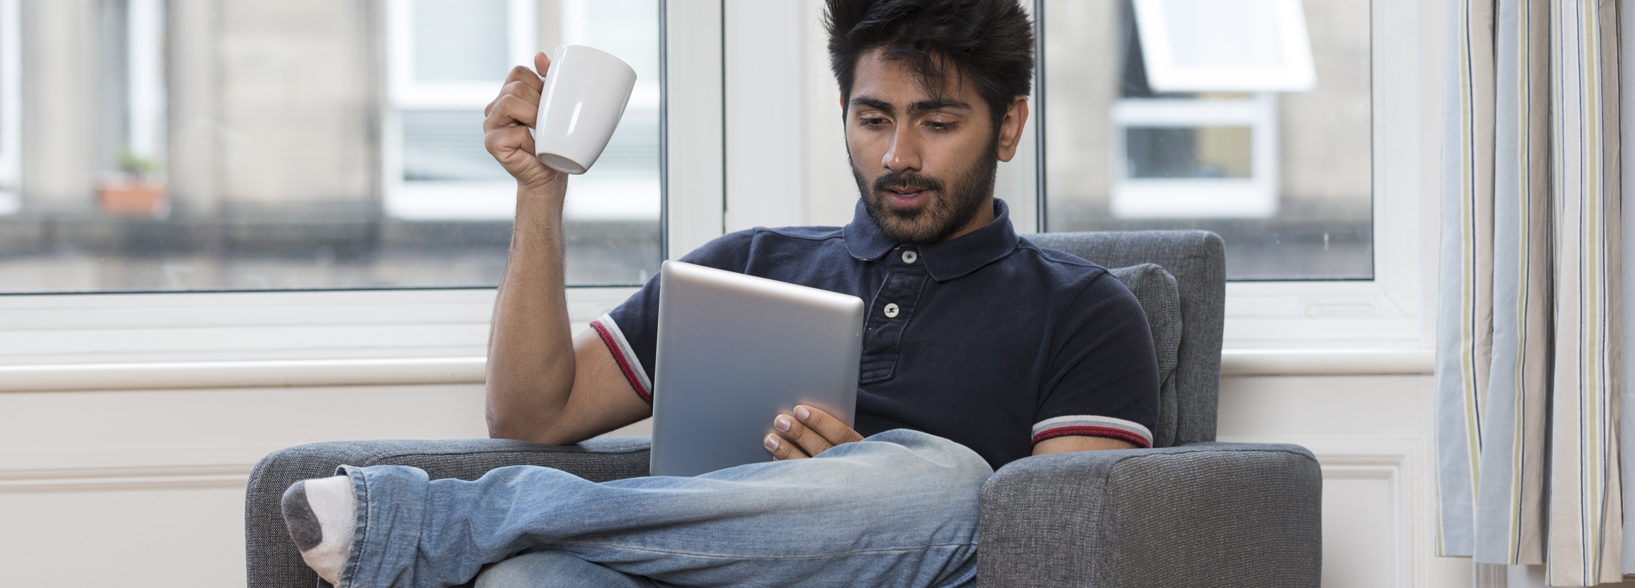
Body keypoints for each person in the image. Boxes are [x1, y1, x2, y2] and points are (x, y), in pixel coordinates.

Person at [279, 0, 1161, 586]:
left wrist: (854, 488)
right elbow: (530, 411)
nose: (898, 156)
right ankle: (491, 532)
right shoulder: (745, 266)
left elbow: (1059, 543)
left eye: (936, 122)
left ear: (1007, 125)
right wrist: (540, 190)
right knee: (524, 579)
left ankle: (444, 521)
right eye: (872, 118)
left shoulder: (1084, 310)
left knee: (945, 481)